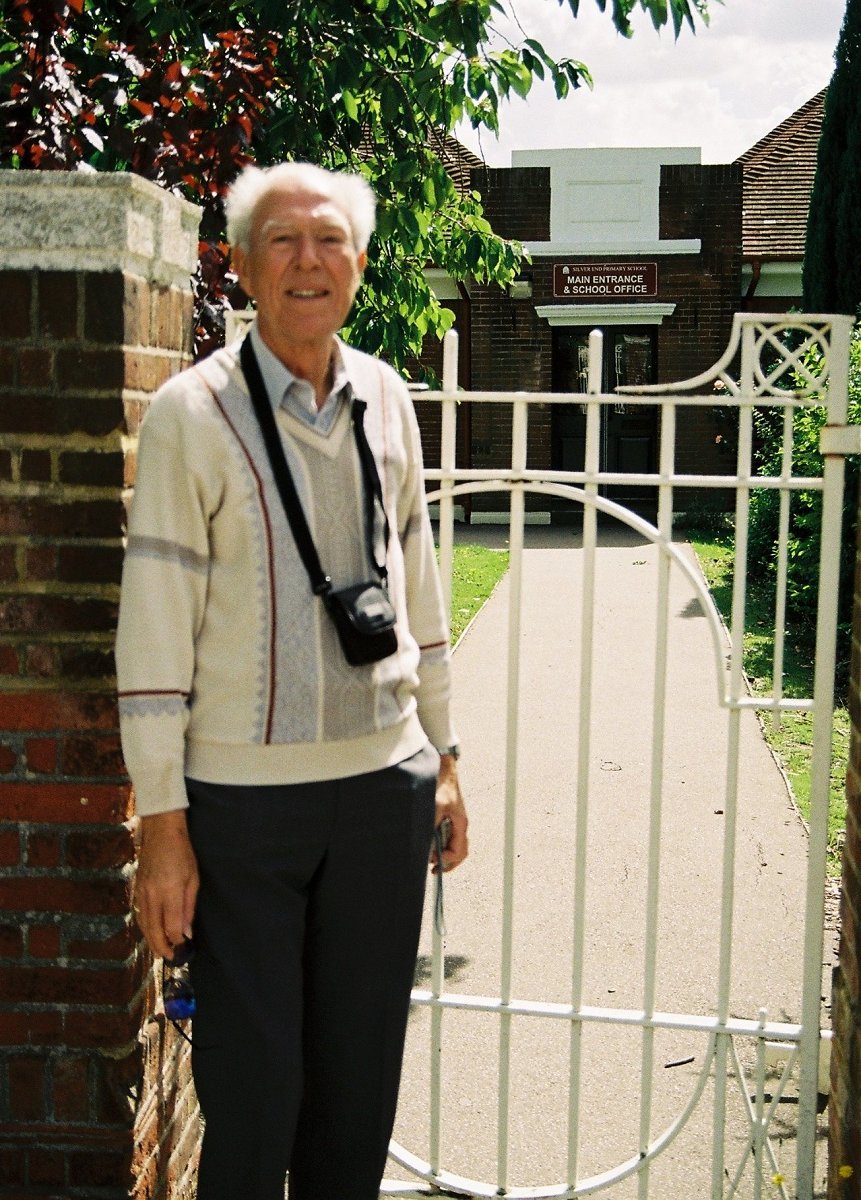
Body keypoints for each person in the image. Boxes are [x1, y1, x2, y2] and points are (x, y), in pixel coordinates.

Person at [115, 160, 468, 1200]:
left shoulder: (387, 398)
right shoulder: (193, 413)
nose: (307, 261)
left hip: (382, 794)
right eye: (282, 240)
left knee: (354, 1103)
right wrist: (162, 823)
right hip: (240, 813)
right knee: (252, 1100)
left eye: (329, 242)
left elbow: (420, 585)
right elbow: (154, 627)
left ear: (358, 265)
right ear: (242, 264)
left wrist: (444, 758)